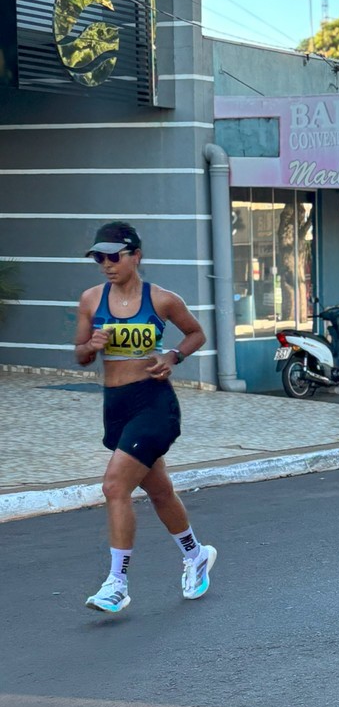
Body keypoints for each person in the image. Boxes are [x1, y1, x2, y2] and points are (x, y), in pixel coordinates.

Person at [73, 221, 217, 613]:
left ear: (135, 255)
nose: (106, 264)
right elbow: (81, 355)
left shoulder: (162, 300)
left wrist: (173, 357)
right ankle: (195, 554)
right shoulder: (90, 299)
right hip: (115, 406)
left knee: (115, 486)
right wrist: (91, 345)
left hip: (154, 404)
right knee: (159, 491)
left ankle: (116, 582)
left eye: (113, 256)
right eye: (99, 258)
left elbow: (195, 333)